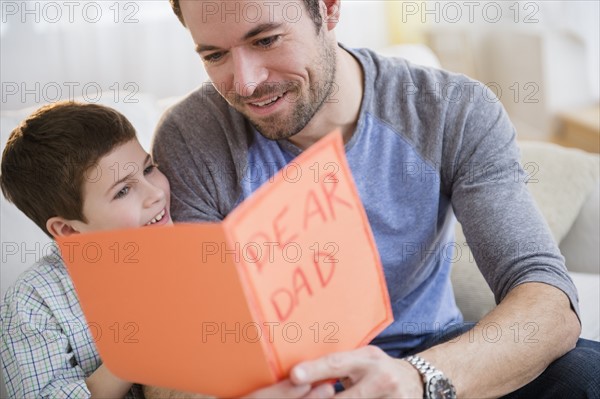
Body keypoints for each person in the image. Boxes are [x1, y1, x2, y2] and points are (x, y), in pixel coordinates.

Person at [153, 0, 600, 397]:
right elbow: (188, 343)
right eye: (215, 55)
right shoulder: (191, 138)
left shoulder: (451, 109)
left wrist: (418, 379)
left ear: (328, 9)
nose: (246, 84)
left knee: (586, 372)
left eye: (267, 40)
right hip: (284, 376)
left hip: (427, 357)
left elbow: (549, 300)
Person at [0, 101, 173, 398]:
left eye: (149, 168)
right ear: (68, 230)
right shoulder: (33, 300)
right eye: (123, 191)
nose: (155, 194)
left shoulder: (189, 240)